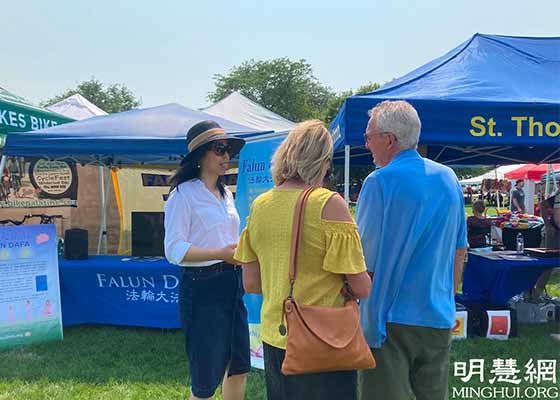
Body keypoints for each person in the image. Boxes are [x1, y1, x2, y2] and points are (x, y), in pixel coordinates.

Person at [234, 120, 372, 400]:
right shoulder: (329, 203)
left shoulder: (260, 205)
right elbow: (362, 289)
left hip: (275, 335)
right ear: (322, 161)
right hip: (324, 339)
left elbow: (251, 283)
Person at [356, 101, 468, 400]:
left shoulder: (378, 182)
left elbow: (363, 261)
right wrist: (448, 298)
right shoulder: (449, 178)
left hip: (389, 320)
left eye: (369, 137)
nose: (367, 145)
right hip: (438, 315)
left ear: (389, 139)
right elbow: (460, 251)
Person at [164, 120, 250, 400]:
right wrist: (219, 254)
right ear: (200, 156)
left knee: (238, 366)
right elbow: (174, 250)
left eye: (229, 151)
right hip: (202, 287)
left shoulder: (226, 194)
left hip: (232, 282)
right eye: (219, 150)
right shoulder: (183, 195)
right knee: (206, 377)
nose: (226, 156)